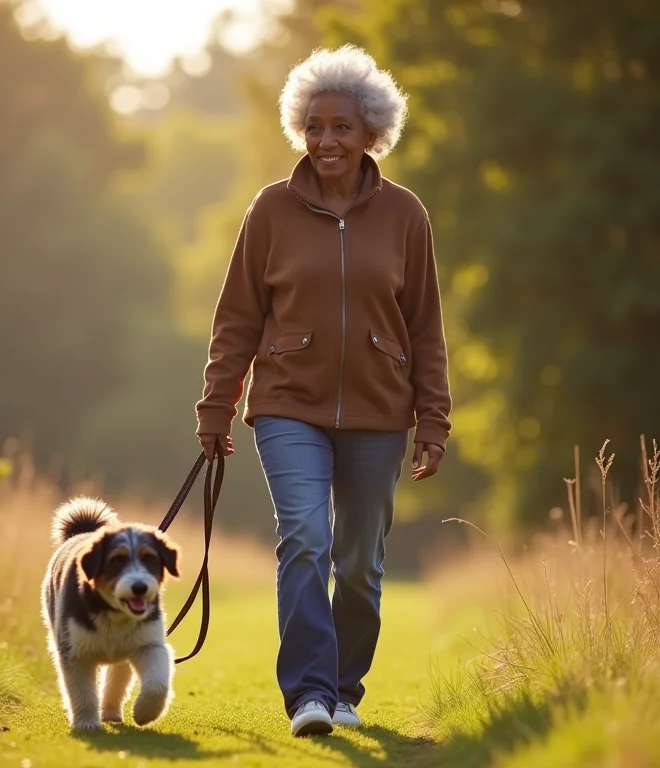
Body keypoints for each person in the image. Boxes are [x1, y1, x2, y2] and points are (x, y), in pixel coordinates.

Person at [195, 44, 451, 737]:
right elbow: (238, 316)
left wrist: (433, 419)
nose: (326, 140)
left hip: (380, 409)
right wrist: (217, 404)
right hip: (287, 402)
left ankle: (342, 688)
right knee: (304, 537)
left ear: (372, 132)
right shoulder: (270, 210)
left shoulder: (406, 215)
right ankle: (309, 692)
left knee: (361, 562)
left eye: (341, 127)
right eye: (314, 126)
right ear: (298, 130)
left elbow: (425, 325)